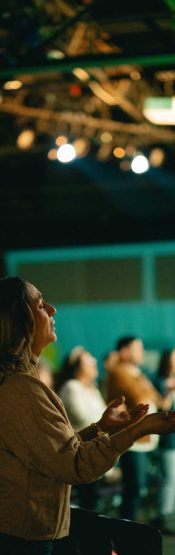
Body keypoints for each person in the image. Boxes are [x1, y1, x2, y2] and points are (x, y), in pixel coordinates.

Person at [0, 278, 175, 555]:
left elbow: (50, 453)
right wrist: (139, 430)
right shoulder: (21, 389)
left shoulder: (19, 384)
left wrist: (101, 427)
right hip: (22, 540)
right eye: (40, 304)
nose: (53, 309)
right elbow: (75, 465)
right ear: (18, 319)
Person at [103, 336, 171, 521]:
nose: (141, 352)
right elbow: (140, 397)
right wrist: (149, 389)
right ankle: (125, 530)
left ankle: (129, 526)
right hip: (130, 440)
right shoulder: (119, 372)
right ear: (124, 352)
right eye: (137, 348)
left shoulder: (137, 373)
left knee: (136, 486)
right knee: (133, 486)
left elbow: (158, 400)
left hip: (141, 440)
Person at [57, 346, 111, 510]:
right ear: (78, 367)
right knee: (87, 499)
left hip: (94, 448)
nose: (95, 364)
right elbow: (83, 418)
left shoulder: (92, 388)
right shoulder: (71, 387)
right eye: (90, 362)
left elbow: (102, 416)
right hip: (79, 449)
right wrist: (107, 422)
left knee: (92, 498)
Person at [154, 350, 175, 533]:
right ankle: (163, 515)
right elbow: (162, 409)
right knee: (169, 478)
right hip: (168, 440)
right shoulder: (160, 382)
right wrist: (169, 391)